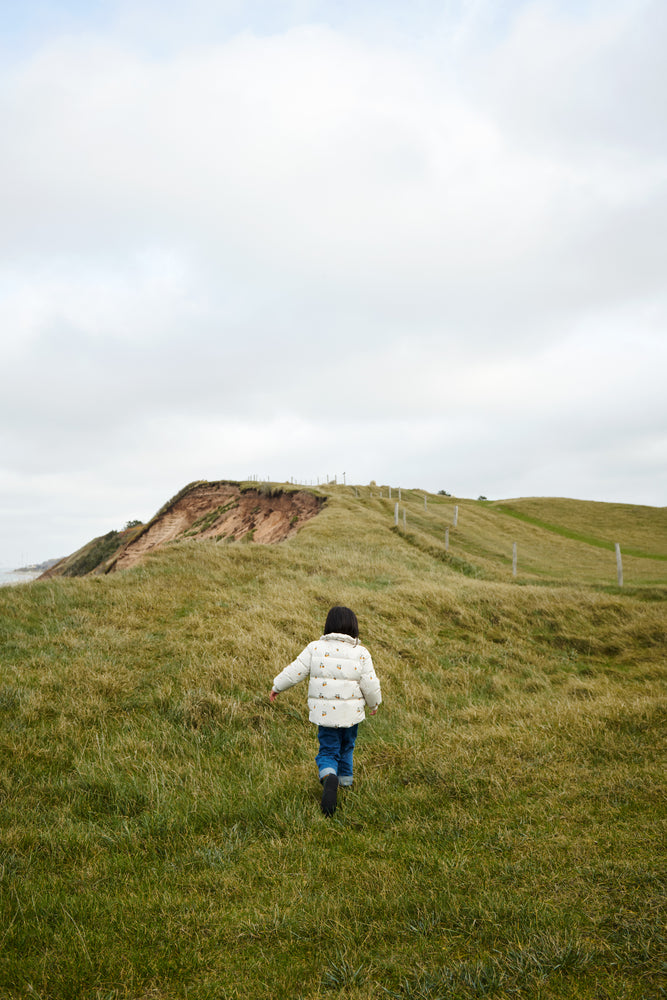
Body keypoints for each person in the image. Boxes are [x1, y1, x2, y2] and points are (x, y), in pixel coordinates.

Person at [269, 606, 382, 816]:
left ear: (328, 626)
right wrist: (374, 704)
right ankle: (345, 783)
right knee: (347, 746)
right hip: (351, 716)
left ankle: (329, 776)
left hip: (325, 715)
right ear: (353, 627)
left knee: (329, 750)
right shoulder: (361, 653)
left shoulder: (315, 648)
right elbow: (370, 684)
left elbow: (296, 670)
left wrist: (277, 686)